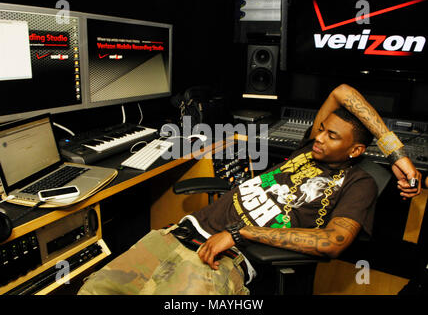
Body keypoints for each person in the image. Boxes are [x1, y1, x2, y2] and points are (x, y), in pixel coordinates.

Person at [78, 84, 422, 295]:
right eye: (322, 130)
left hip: (221, 257)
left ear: (356, 151)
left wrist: (241, 234)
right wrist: (397, 151)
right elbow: (342, 91)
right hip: (175, 235)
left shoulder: (357, 182)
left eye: (333, 136)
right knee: (94, 289)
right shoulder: (307, 149)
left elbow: (333, 242)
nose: (319, 137)